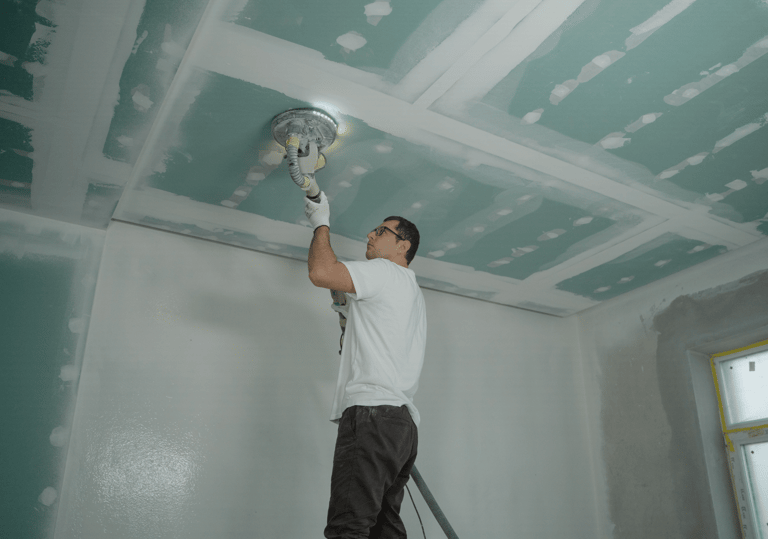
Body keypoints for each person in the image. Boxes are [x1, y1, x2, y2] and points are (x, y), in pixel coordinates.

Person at [304, 191, 427, 539]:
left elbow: (322, 272)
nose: (370, 235)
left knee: (349, 526)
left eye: (381, 231)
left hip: (373, 416)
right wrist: (344, 310)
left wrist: (320, 222)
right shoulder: (408, 290)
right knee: (383, 530)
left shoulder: (385, 272)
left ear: (403, 246)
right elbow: (355, 325)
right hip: (401, 425)